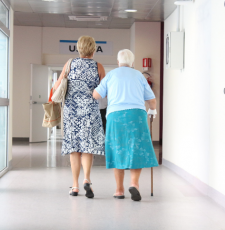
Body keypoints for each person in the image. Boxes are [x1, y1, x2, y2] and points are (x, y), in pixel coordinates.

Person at [93, 49, 158, 201]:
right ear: (132, 63)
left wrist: (108, 91)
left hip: (115, 117)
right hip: (137, 115)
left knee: (117, 150)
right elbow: (152, 100)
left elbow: (96, 95)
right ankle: (134, 184)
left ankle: (119, 190)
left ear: (118, 62)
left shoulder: (111, 75)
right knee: (136, 149)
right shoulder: (139, 76)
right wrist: (152, 110)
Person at [52, 36, 106, 198]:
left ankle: (75, 186)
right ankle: (87, 180)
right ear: (93, 49)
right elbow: (103, 92)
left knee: (74, 148)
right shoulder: (98, 67)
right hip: (90, 112)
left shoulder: (70, 64)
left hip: (71, 112)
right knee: (87, 148)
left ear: (78, 49)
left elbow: (57, 86)